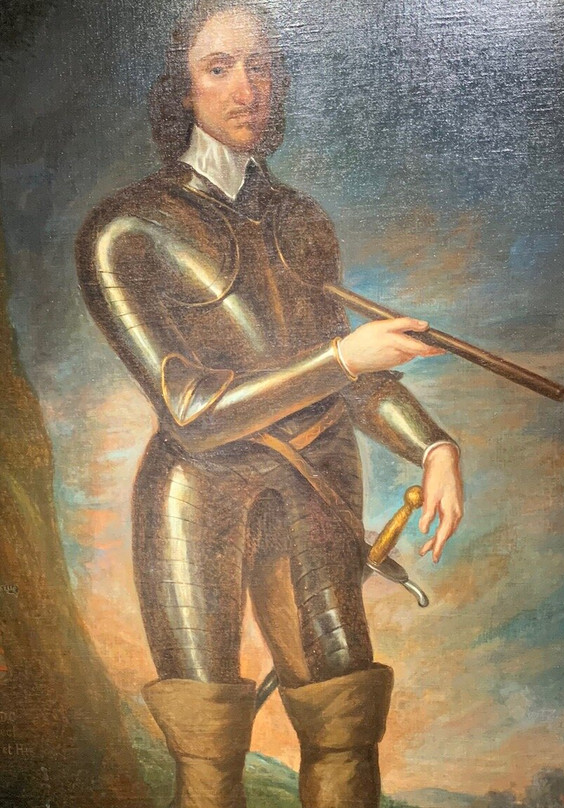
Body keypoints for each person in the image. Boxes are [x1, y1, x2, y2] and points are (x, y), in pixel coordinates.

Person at [76, 3, 464, 806]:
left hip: (314, 488)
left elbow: (352, 375)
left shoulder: (300, 220)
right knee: (208, 748)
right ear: (181, 87)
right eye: (219, 67)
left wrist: (433, 446)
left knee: (345, 726)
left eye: (261, 66)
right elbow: (193, 411)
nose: (246, 88)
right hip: (199, 501)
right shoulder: (125, 229)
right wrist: (344, 357)